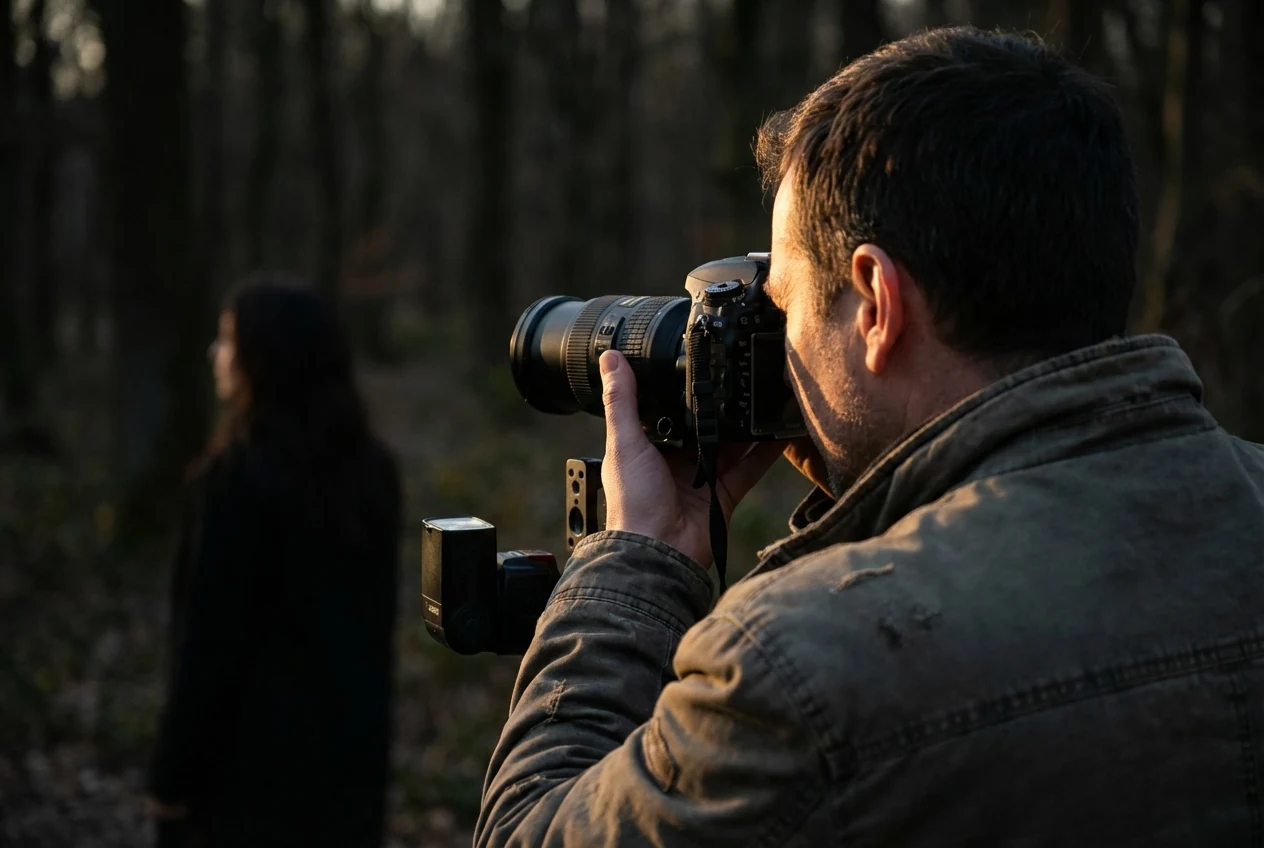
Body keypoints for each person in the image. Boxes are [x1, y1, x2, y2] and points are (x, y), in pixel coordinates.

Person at [475, 26, 1264, 846]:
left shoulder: (808, 669)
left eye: (784, 305)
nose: (774, 342)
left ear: (876, 303)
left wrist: (637, 560)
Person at [146, 275, 401, 847]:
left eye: (227, 341)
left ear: (263, 360)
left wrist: (170, 774)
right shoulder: (372, 475)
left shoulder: (235, 480)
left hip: (240, 789)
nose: (216, 355)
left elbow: (206, 648)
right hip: (344, 782)